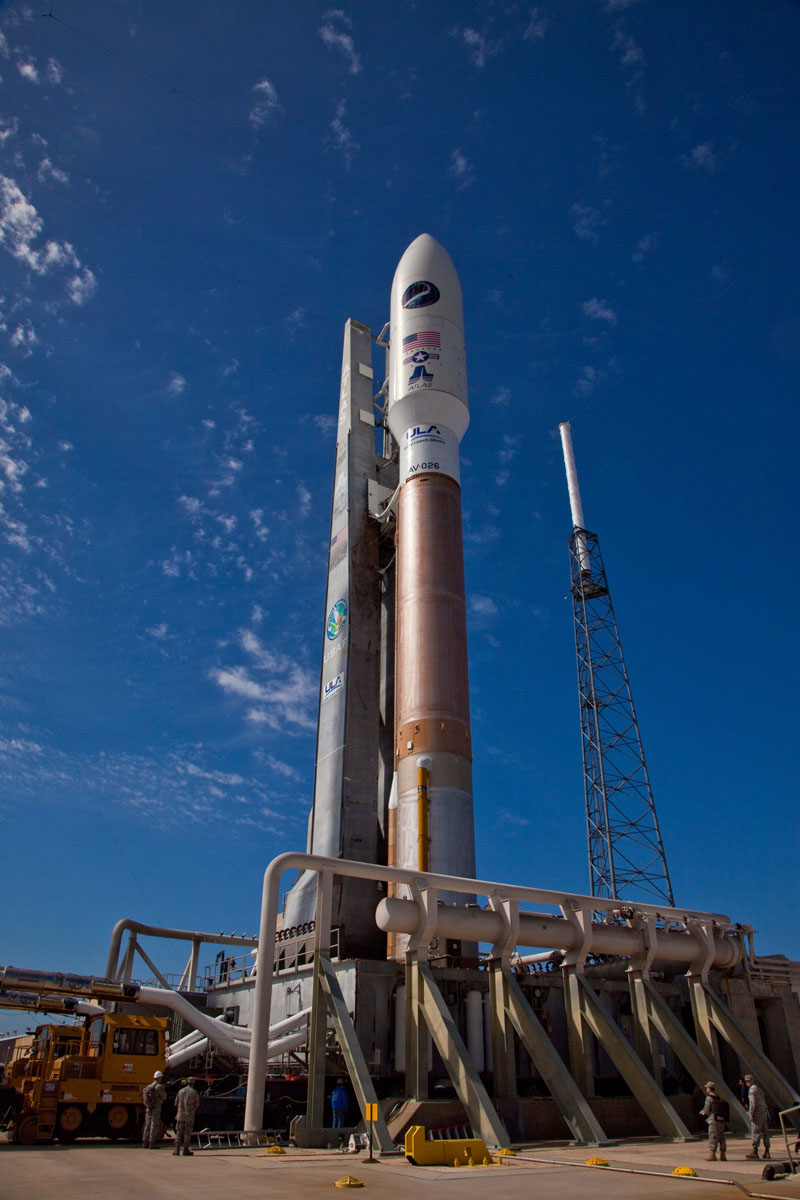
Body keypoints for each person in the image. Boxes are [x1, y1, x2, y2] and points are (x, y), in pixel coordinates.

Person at [744, 1073, 771, 1160]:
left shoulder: (752, 1090)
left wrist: (751, 1113)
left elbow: (752, 1103)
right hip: (763, 1114)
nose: (747, 1082)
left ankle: (755, 1151)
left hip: (757, 1114)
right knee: (765, 1133)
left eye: (748, 1080)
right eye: (746, 1081)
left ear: (752, 1080)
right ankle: (767, 1151)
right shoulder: (759, 1089)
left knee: (755, 1132)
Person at [173, 1076, 200, 1156]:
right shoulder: (194, 1092)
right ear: (193, 1083)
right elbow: (197, 1105)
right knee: (187, 1133)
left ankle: (177, 1150)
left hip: (180, 1115)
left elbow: (176, 1103)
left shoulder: (180, 1091)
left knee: (179, 1132)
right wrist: (192, 1111)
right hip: (189, 1115)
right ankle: (185, 1149)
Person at [700, 1081, 727, 1162]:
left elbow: (707, 1110)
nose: (706, 1090)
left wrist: (702, 1112)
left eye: (707, 1088)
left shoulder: (709, 1098)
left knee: (713, 1136)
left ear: (709, 1088)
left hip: (713, 1120)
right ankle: (723, 1155)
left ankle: (712, 1154)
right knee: (721, 1137)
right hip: (721, 1120)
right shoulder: (718, 1097)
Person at [142, 1069, 167, 1148]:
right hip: (156, 1107)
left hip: (149, 1107)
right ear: (159, 1078)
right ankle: (152, 1143)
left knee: (147, 1124)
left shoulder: (149, 1086)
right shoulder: (159, 1087)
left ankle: (145, 1142)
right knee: (154, 1124)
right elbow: (164, 1096)